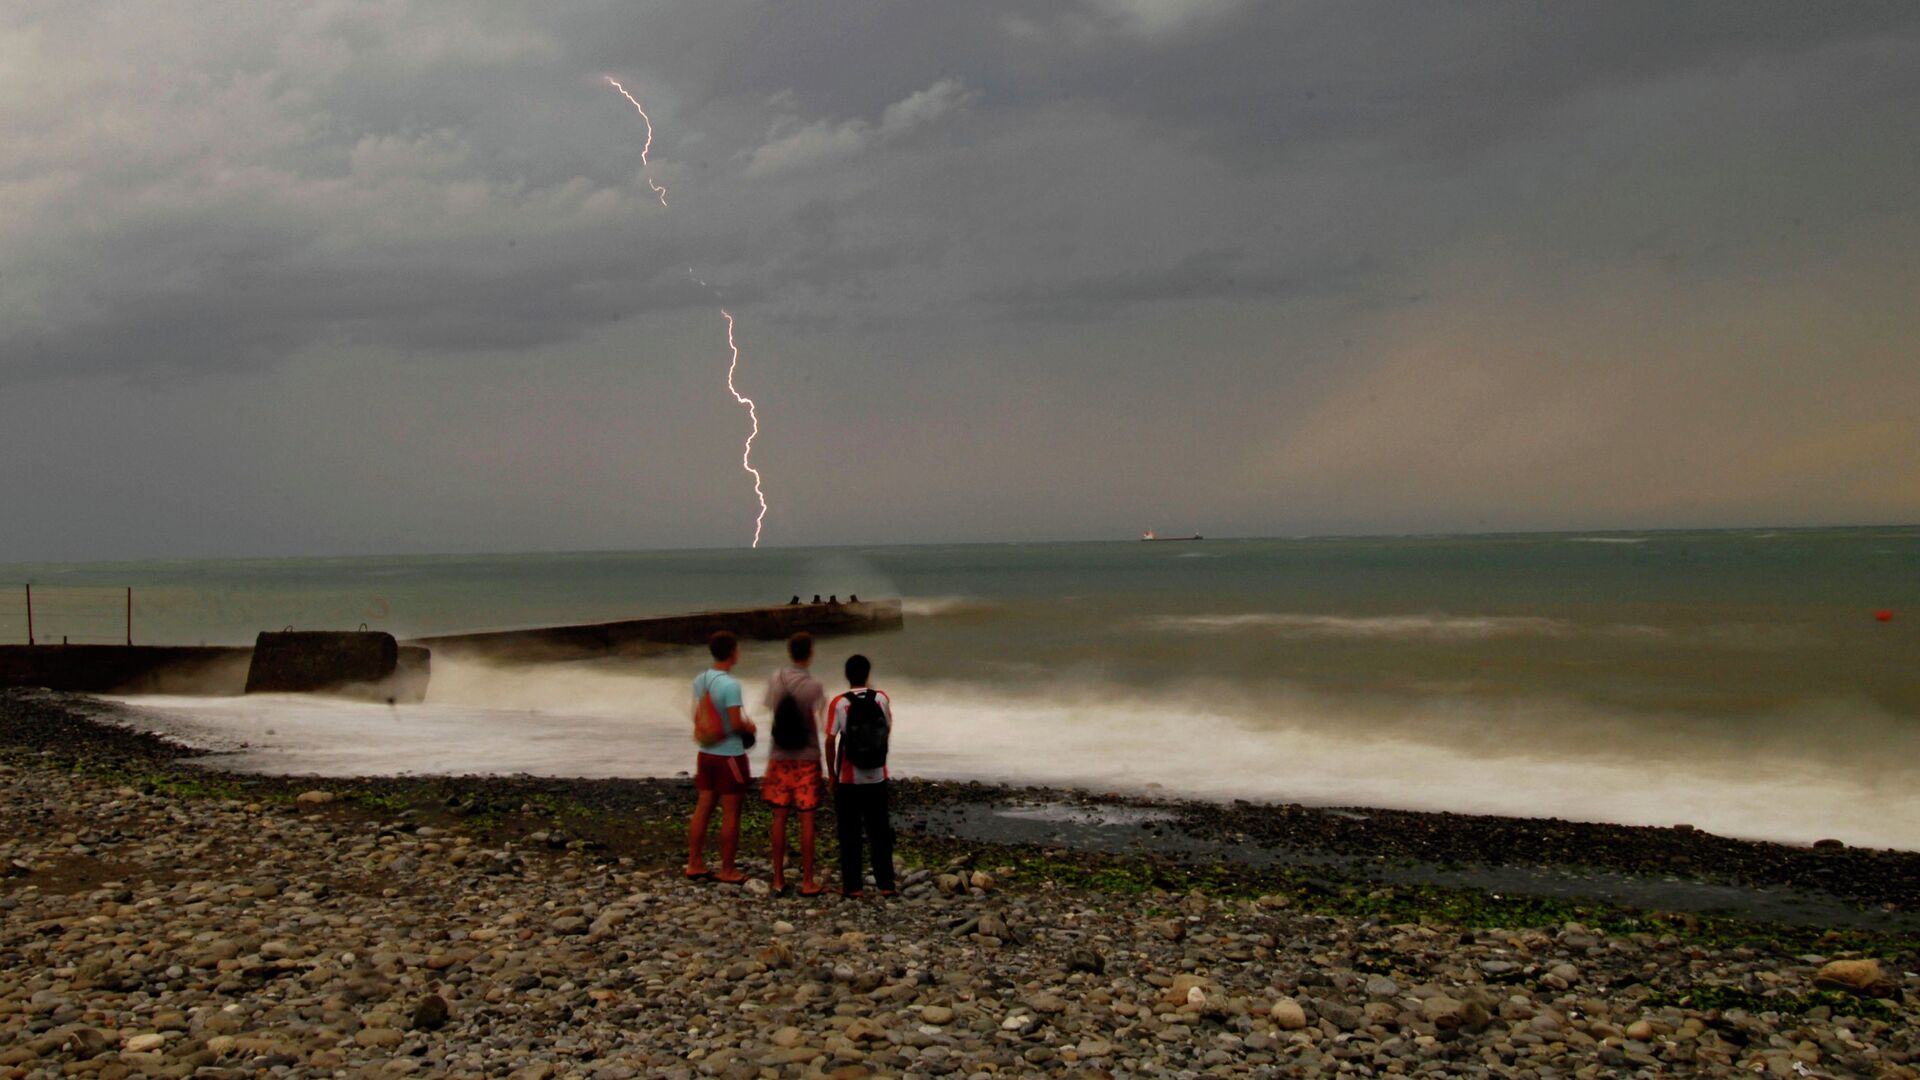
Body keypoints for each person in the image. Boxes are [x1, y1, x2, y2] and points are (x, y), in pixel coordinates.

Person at [687, 631, 756, 884]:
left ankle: (694, 862)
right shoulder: (730, 685)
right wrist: (750, 728)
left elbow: (699, 714)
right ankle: (727, 869)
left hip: (705, 753)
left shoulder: (701, 679)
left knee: (703, 806)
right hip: (729, 755)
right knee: (731, 812)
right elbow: (736, 723)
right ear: (733, 652)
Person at [823, 653, 895, 898]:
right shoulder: (881, 699)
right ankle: (886, 884)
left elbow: (831, 739)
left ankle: (853, 887)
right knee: (879, 831)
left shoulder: (840, 703)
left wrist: (831, 773)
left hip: (848, 778)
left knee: (849, 831)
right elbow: (887, 728)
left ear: (847, 675)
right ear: (867, 674)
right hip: (877, 775)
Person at [761, 632, 827, 896]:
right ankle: (808, 880)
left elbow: (771, 710)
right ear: (809, 654)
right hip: (807, 757)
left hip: (779, 756)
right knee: (806, 819)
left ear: (790, 653)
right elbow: (818, 722)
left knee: (779, 817)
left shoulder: (776, 679)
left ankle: (777, 879)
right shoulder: (815, 686)